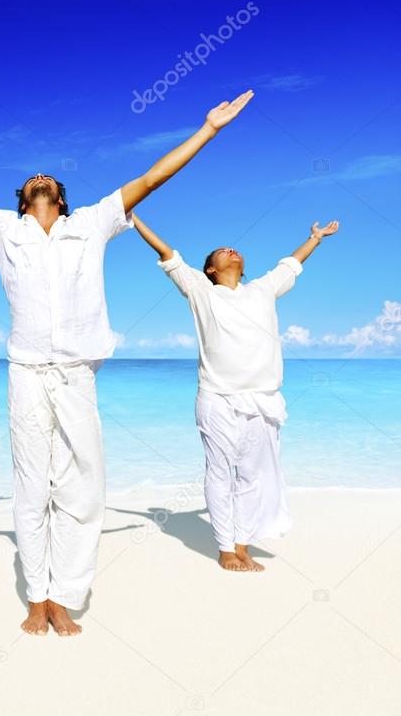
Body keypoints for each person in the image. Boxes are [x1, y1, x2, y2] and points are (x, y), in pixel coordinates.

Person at [0, 90, 254, 637]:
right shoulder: (1, 227)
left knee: (84, 486)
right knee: (30, 485)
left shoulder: (92, 222)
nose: (41, 177)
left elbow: (153, 177)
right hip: (25, 372)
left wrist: (208, 129)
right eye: (33, 180)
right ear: (24, 200)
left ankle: (65, 594)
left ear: (60, 199)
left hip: (78, 372)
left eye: (50, 180)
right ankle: (36, 596)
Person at [130, 213, 339, 572]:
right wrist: (134, 219)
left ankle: (243, 545)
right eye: (221, 252)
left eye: (234, 250)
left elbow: (290, 263)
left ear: (242, 267)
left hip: (263, 398)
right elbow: (168, 253)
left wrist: (316, 238)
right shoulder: (200, 291)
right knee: (219, 471)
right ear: (210, 270)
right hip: (217, 397)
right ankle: (226, 548)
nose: (230, 250)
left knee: (251, 477)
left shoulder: (262, 289)